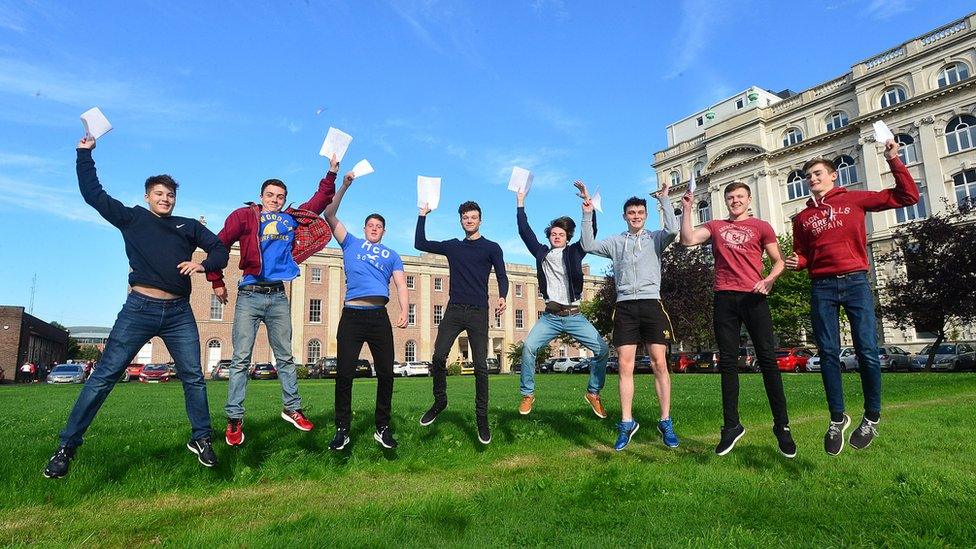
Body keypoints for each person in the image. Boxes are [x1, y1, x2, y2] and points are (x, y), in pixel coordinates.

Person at [44, 135, 229, 479]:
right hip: (139, 309)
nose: (165, 199)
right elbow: (93, 195)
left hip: (178, 314)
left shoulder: (188, 226)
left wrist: (204, 267)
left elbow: (219, 248)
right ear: (147, 197)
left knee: (193, 378)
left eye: (170, 195)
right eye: (159, 194)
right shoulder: (133, 219)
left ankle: (202, 439)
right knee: (103, 378)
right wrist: (84, 154)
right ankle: (66, 447)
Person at [785, 139, 917, 456]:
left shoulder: (854, 201)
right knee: (828, 353)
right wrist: (797, 262)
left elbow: (908, 196)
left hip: (856, 281)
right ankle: (836, 418)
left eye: (817, 174)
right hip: (822, 286)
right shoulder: (802, 219)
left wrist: (894, 159)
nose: (812, 179)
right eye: (808, 176)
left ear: (833, 177)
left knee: (867, 351)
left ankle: (871, 417)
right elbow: (804, 253)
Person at [209, 156, 338, 446]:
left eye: (280, 197)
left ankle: (292, 408)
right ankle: (234, 418)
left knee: (285, 357)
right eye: (270, 195)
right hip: (249, 295)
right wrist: (216, 281)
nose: (275, 200)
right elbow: (219, 244)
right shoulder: (245, 216)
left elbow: (320, 200)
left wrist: (331, 172)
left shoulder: (291, 217)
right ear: (261, 196)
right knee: (241, 359)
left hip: (278, 295)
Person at [679, 181, 796, 458]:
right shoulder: (717, 226)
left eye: (740, 196)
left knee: (768, 359)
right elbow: (687, 240)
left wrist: (769, 280)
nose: (735, 201)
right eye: (730, 197)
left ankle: (782, 427)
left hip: (754, 297)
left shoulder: (762, 226)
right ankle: (731, 426)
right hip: (724, 298)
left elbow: (778, 260)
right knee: (728, 362)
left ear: (749, 199)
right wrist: (686, 210)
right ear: (726, 200)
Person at [580, 182, 680, 451]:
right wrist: (588, 212)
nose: (636, 216)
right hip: (625, 306)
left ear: (646, 215)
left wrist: (666, 200)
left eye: (640, 212)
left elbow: (673, 229)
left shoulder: (656, 238)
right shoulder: (616, 242)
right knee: (625, 366)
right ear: (624, 216)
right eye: (631, 213)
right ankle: (626, 422)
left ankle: (665, 421)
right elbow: (587, 244)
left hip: (651, 304)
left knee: (659, 363)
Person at [321, 171, 409, 450]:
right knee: (345, 373)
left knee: (386, 373)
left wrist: (405, 309)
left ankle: (382, 428)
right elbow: (329, 213)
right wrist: (344, 185)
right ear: (364, 228)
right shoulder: (350, 243)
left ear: (384, 231)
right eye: (370, 224)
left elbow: (400, 283)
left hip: (378, 317)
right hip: (352, 316)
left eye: (379, 226)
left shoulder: (391, 254)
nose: (374, 228)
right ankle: (342, 429)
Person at [415, 201, 508, 444]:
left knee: (481, 366)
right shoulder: (453, 247)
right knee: (438, 357)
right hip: (454, 310)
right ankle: (440, 401)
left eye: (473, 217)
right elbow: (420, 244)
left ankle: (481, 418)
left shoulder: (492, 248)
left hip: (478, 311)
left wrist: (502, 295)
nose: (469, 220)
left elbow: (501, 275)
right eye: (465, 217)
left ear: (480, 219)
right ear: (460, 220)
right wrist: (422, 215)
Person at [515, 181, 609, 417]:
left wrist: (587, 207)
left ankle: (593, 392)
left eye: (561, 234)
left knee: (602, 349)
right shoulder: (541, 253)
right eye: (553, 234)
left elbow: (591, 234)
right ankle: (528, 394)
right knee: (528, 348)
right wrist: (520, 203)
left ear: (567, 237)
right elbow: (524, 231)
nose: (557, 236)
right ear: (549, 237)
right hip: (550, 318)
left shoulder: (576, 251)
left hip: (574, 316)